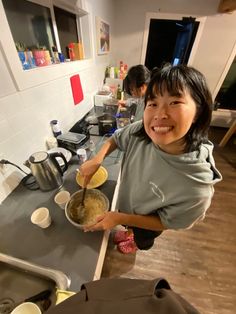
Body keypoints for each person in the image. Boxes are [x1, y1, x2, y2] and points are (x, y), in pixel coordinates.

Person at [80, 64, 222, 254]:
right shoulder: (141, 131)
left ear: (198, 111)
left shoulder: (196, 189)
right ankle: (129, 231)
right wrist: (97, 159)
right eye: (153, 104)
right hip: (128, 205)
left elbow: (165, 222)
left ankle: (136, 243)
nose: (160, 114)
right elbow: (116, 137)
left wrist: (119, 219)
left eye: (174, 102)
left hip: (148, 223)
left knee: (143, 237)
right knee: (128, 225)